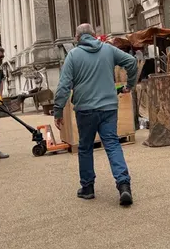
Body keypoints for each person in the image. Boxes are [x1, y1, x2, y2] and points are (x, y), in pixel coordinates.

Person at [54, 23, 138, 206]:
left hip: (85, 109)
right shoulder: (108, 50)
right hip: (108, 107)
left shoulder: (73, 55)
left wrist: (58, 110)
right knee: (113, 144)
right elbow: (131, 62)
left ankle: (88, 188)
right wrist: (130, 84)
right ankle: (124, 185)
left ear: (77, 38)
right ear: (94, 35)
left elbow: (63, 86)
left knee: (85, 147)